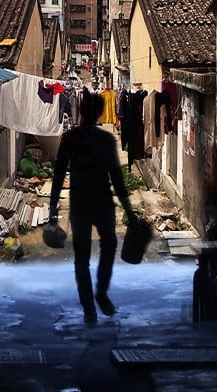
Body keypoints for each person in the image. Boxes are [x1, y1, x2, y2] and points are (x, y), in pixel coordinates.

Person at [49, 91, 137, 324]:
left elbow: (59, 174)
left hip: (80, 203)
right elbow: (117, 177)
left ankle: (89, 309)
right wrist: (128, 210)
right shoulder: (105, 140)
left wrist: (52, 208)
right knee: (109, 245)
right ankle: (101, 293)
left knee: (82, 258)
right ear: (99, 112)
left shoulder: (70, 138)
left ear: (81, 111)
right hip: (102, 201)